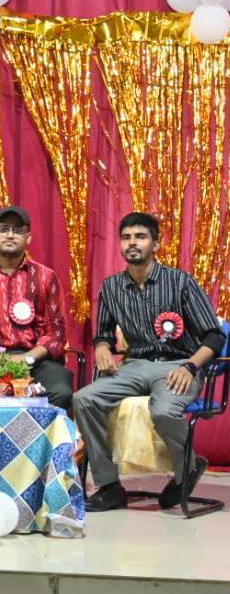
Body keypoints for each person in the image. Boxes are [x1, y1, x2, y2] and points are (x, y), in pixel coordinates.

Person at [73, 212, 222, 512]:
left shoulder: (180, 282)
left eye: (140, 237)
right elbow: (102, 333)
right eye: (126, 237)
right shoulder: (111, 287)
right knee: (83, 399)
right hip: (135, 365)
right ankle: (109, 486)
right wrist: (101, 346)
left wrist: (190, 366)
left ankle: (189, 466)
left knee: (163, 410)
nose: (132, 243)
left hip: (178, 364)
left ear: (156, 243)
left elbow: (214, 336)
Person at [0, 206, 73, 411]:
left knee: (60, 391)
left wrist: (27, 358)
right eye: (3, 229)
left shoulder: (46, 277)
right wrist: (2, 359)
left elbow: (57, 332)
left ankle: (38, 434)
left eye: (18, 230)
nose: (10, 235)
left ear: (28, 238)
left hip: (35, 360)